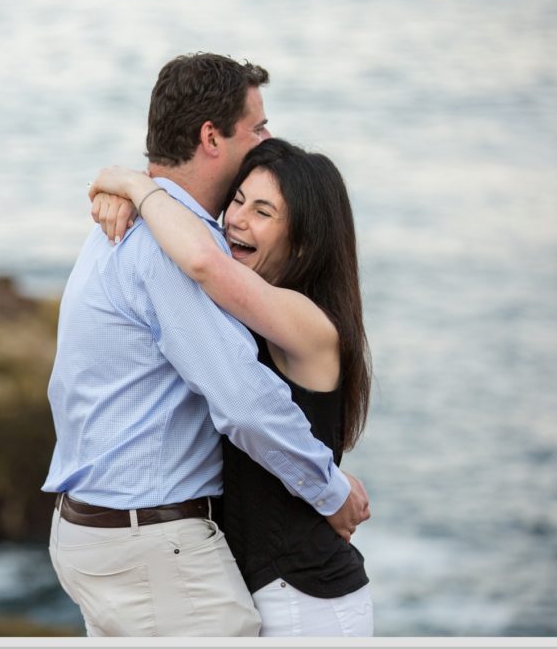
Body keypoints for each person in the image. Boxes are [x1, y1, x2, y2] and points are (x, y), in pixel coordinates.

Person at [42, 52, 369, 637]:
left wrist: (128, 183)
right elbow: (245, 402)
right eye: (258, 126)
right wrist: (330, 488)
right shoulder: (172, 250)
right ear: (211, 137)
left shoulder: (137, 226)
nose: (268, 137)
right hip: (149, 543)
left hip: (100, 532)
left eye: (264, 210)